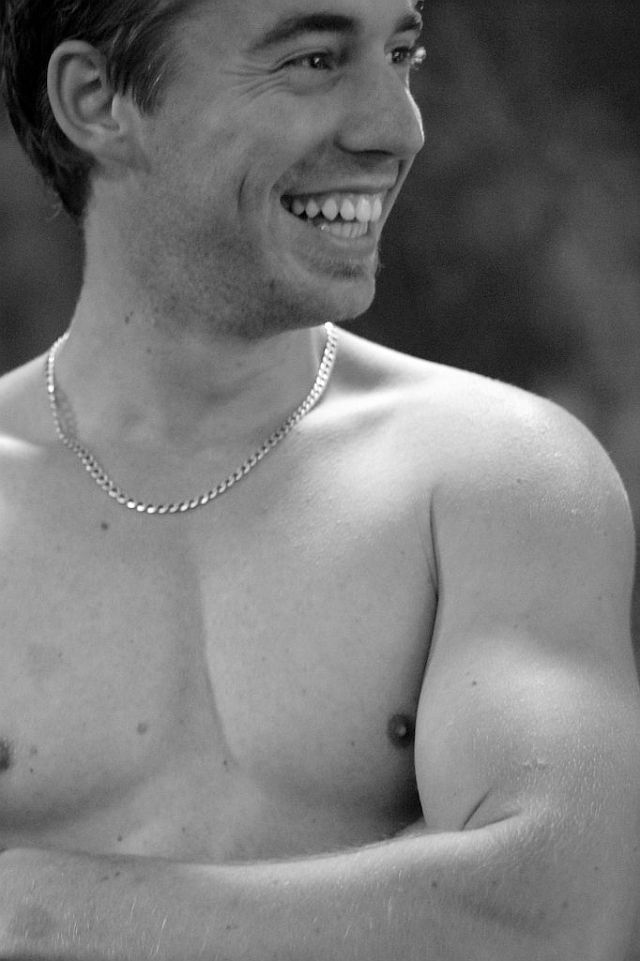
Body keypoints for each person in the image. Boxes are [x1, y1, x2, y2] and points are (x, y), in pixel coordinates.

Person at [1, 0, 639, 958]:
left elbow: (554, 922)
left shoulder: (499, 479)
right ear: (97, 99)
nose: (398, 128)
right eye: (312, 59)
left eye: (403, 53)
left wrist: (35, 908)